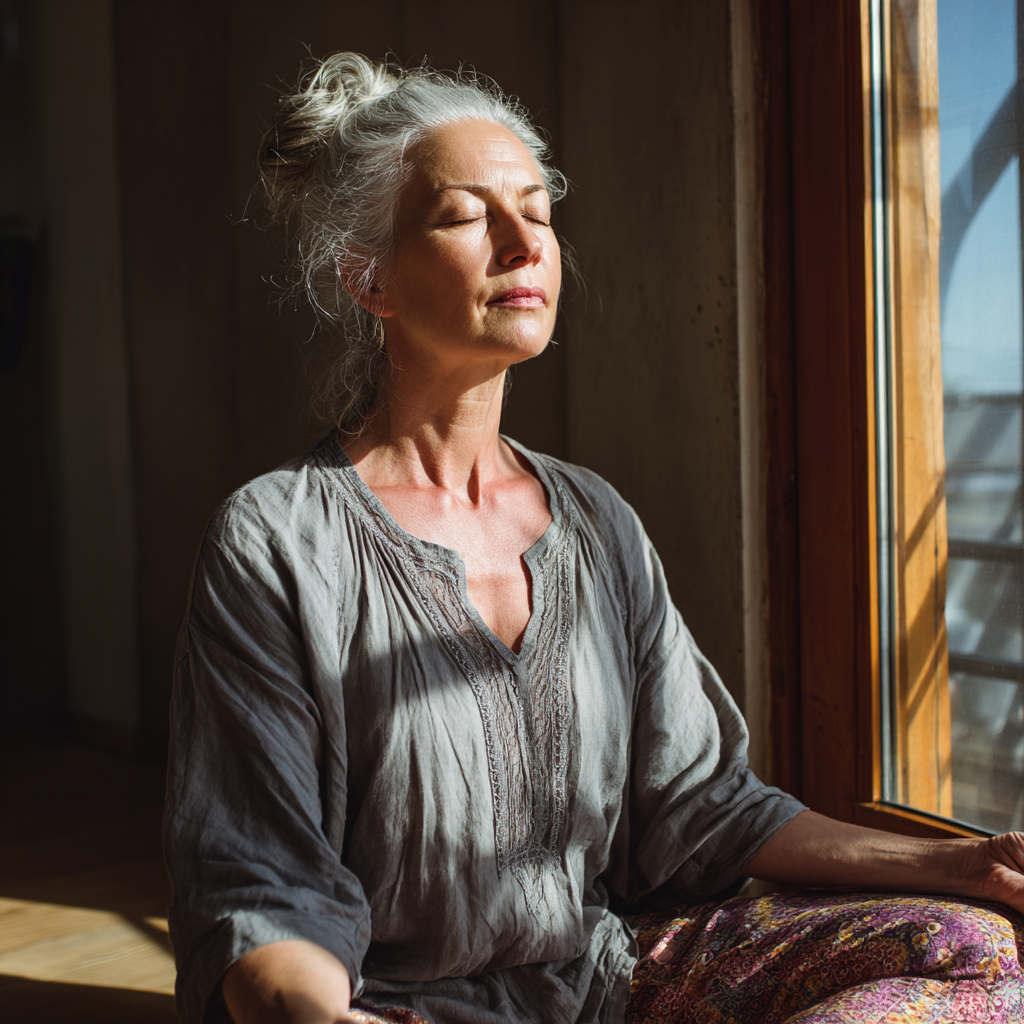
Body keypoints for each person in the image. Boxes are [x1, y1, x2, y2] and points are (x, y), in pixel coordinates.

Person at [163, 53, 1024, 1024]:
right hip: (398, 1008)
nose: (522, 243)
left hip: (603, 983)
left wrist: (964, 860)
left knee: (971, 947)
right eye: (463, 215)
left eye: (535, 210)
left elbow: (700, 807)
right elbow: (261, 887)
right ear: (369, 279)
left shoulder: (593, 518)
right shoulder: (278, 542)